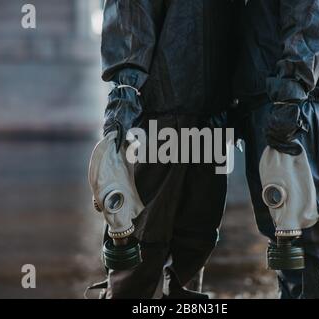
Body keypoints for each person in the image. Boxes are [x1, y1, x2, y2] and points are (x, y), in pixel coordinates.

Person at [94, 0, 236, 299]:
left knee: (198, 234)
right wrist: (123, 103)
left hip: (213, 116)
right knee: (143, 238)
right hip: (160, 113)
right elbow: (129, 20)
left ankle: (175, 295)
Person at [232, 0, 319, 298]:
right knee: (286, 238)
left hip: (296, 107)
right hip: (273, 105)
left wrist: (290, 96)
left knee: (316, 239)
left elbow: (309, 25)